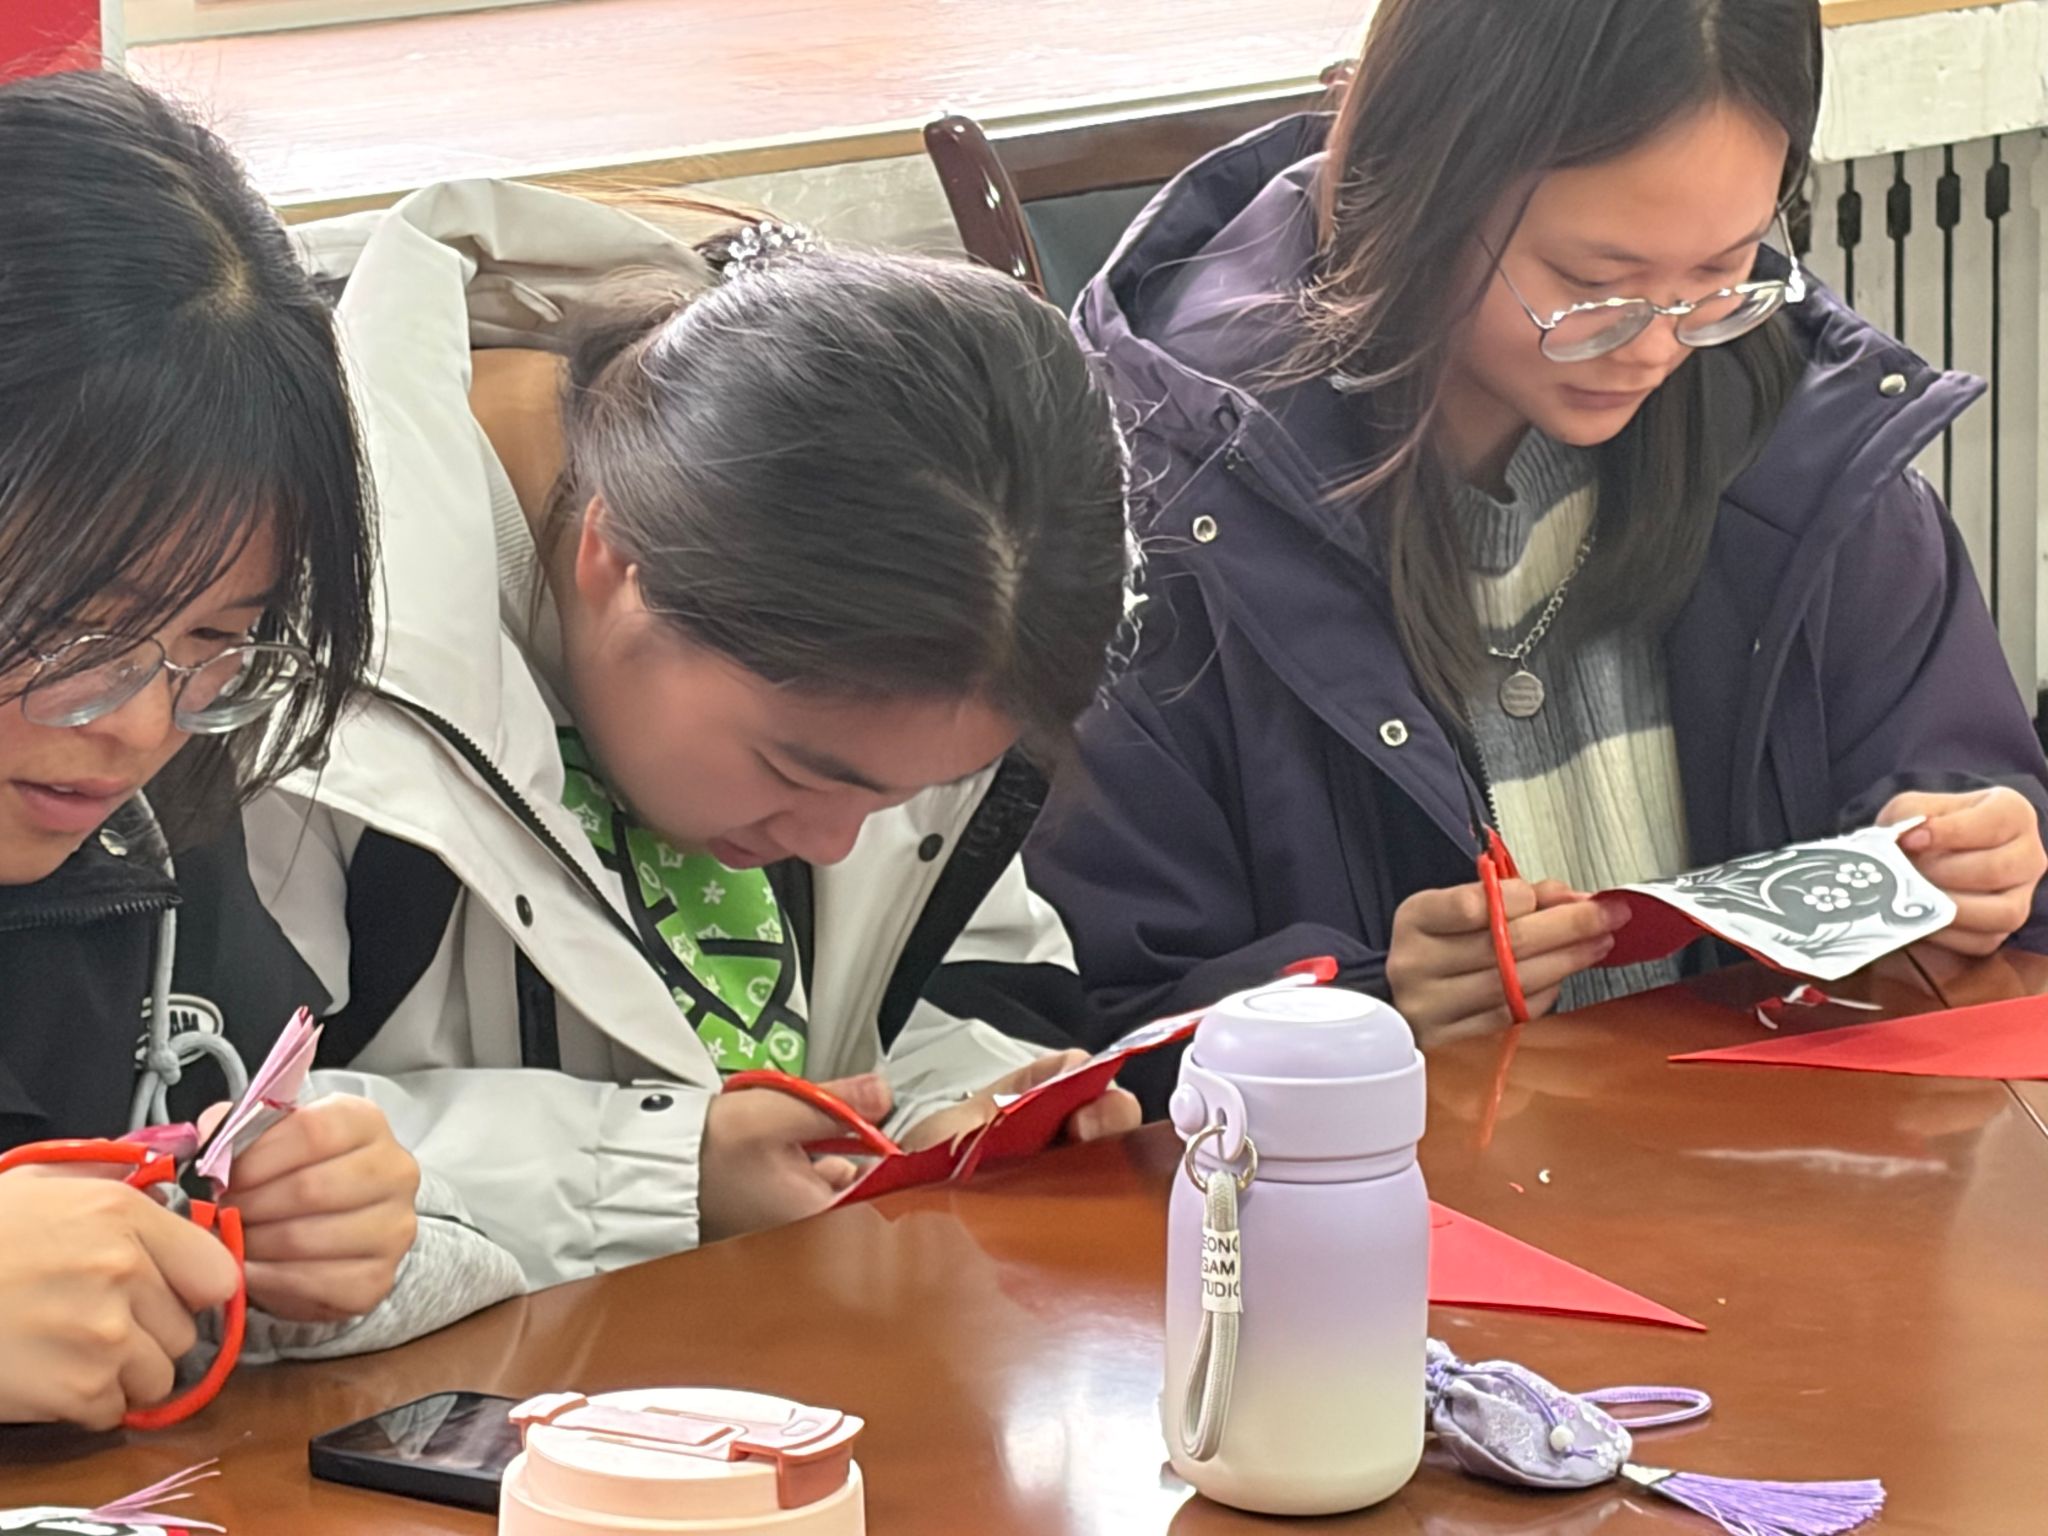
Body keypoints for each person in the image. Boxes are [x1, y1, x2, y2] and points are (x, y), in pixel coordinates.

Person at [1027, 0, 2048, 1096]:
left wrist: (1977, 853)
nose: (1657, 345)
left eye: (1720, 271)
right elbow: (1096, 1043)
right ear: (1417, 188)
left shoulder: (1804, 434)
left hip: (1782, 1149)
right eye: (1591, 286)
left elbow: (1971, 813)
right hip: (1405, 1187)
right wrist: (1364, 1007)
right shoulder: (1170, 507)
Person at [246, 185, 1141, 1288]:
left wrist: (962, 1113)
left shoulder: (934, 623)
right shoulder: (290, 635)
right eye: (793, 770)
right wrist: (655, 1176)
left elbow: (955, 982)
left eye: (900, 797)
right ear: (615, 555)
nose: (833, 842)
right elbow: (206, 1135)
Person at [0, 72, 518, 1430]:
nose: (135, 721)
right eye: (65, 625)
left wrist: (331, 1254)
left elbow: (225, 1243)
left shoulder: (145, 833)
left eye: (217, 640)